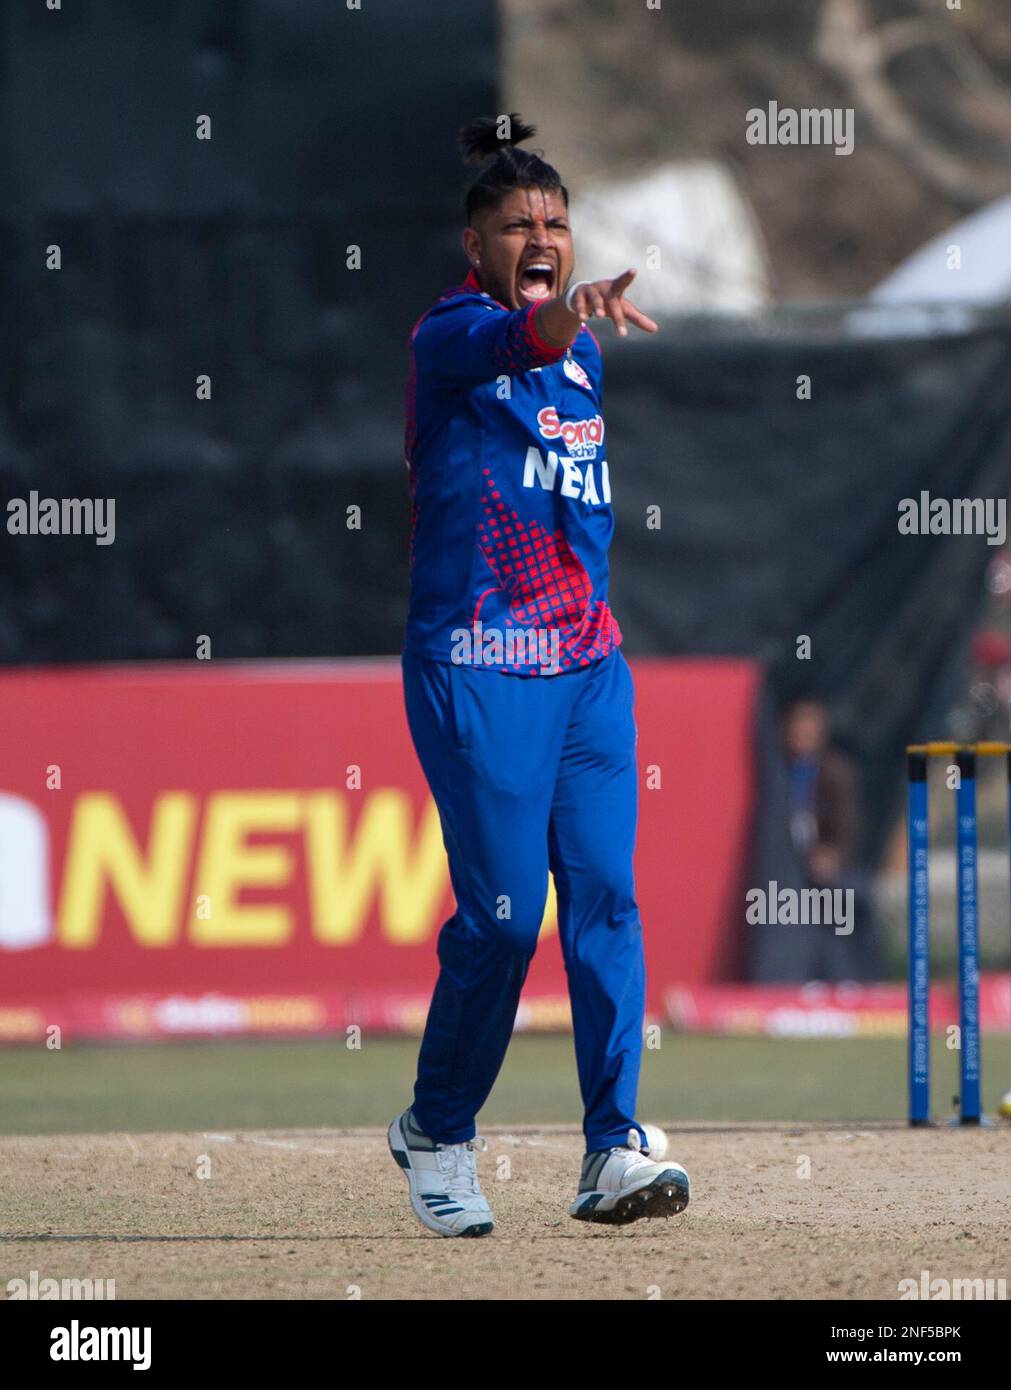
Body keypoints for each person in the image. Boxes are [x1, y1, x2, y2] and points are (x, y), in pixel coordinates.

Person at [388, 114, 690, 1236]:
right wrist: (566, 311)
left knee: (606, 898)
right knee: (507, 920)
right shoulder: (451, 334)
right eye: (518, 223)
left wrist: (576, 324)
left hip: (587, 668)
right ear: (478, 246)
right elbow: (520, 339)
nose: (542, 234)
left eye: (557, 220)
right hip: (478, 668)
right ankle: (436, 1131)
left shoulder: (587, 351)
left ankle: (613, 1146)